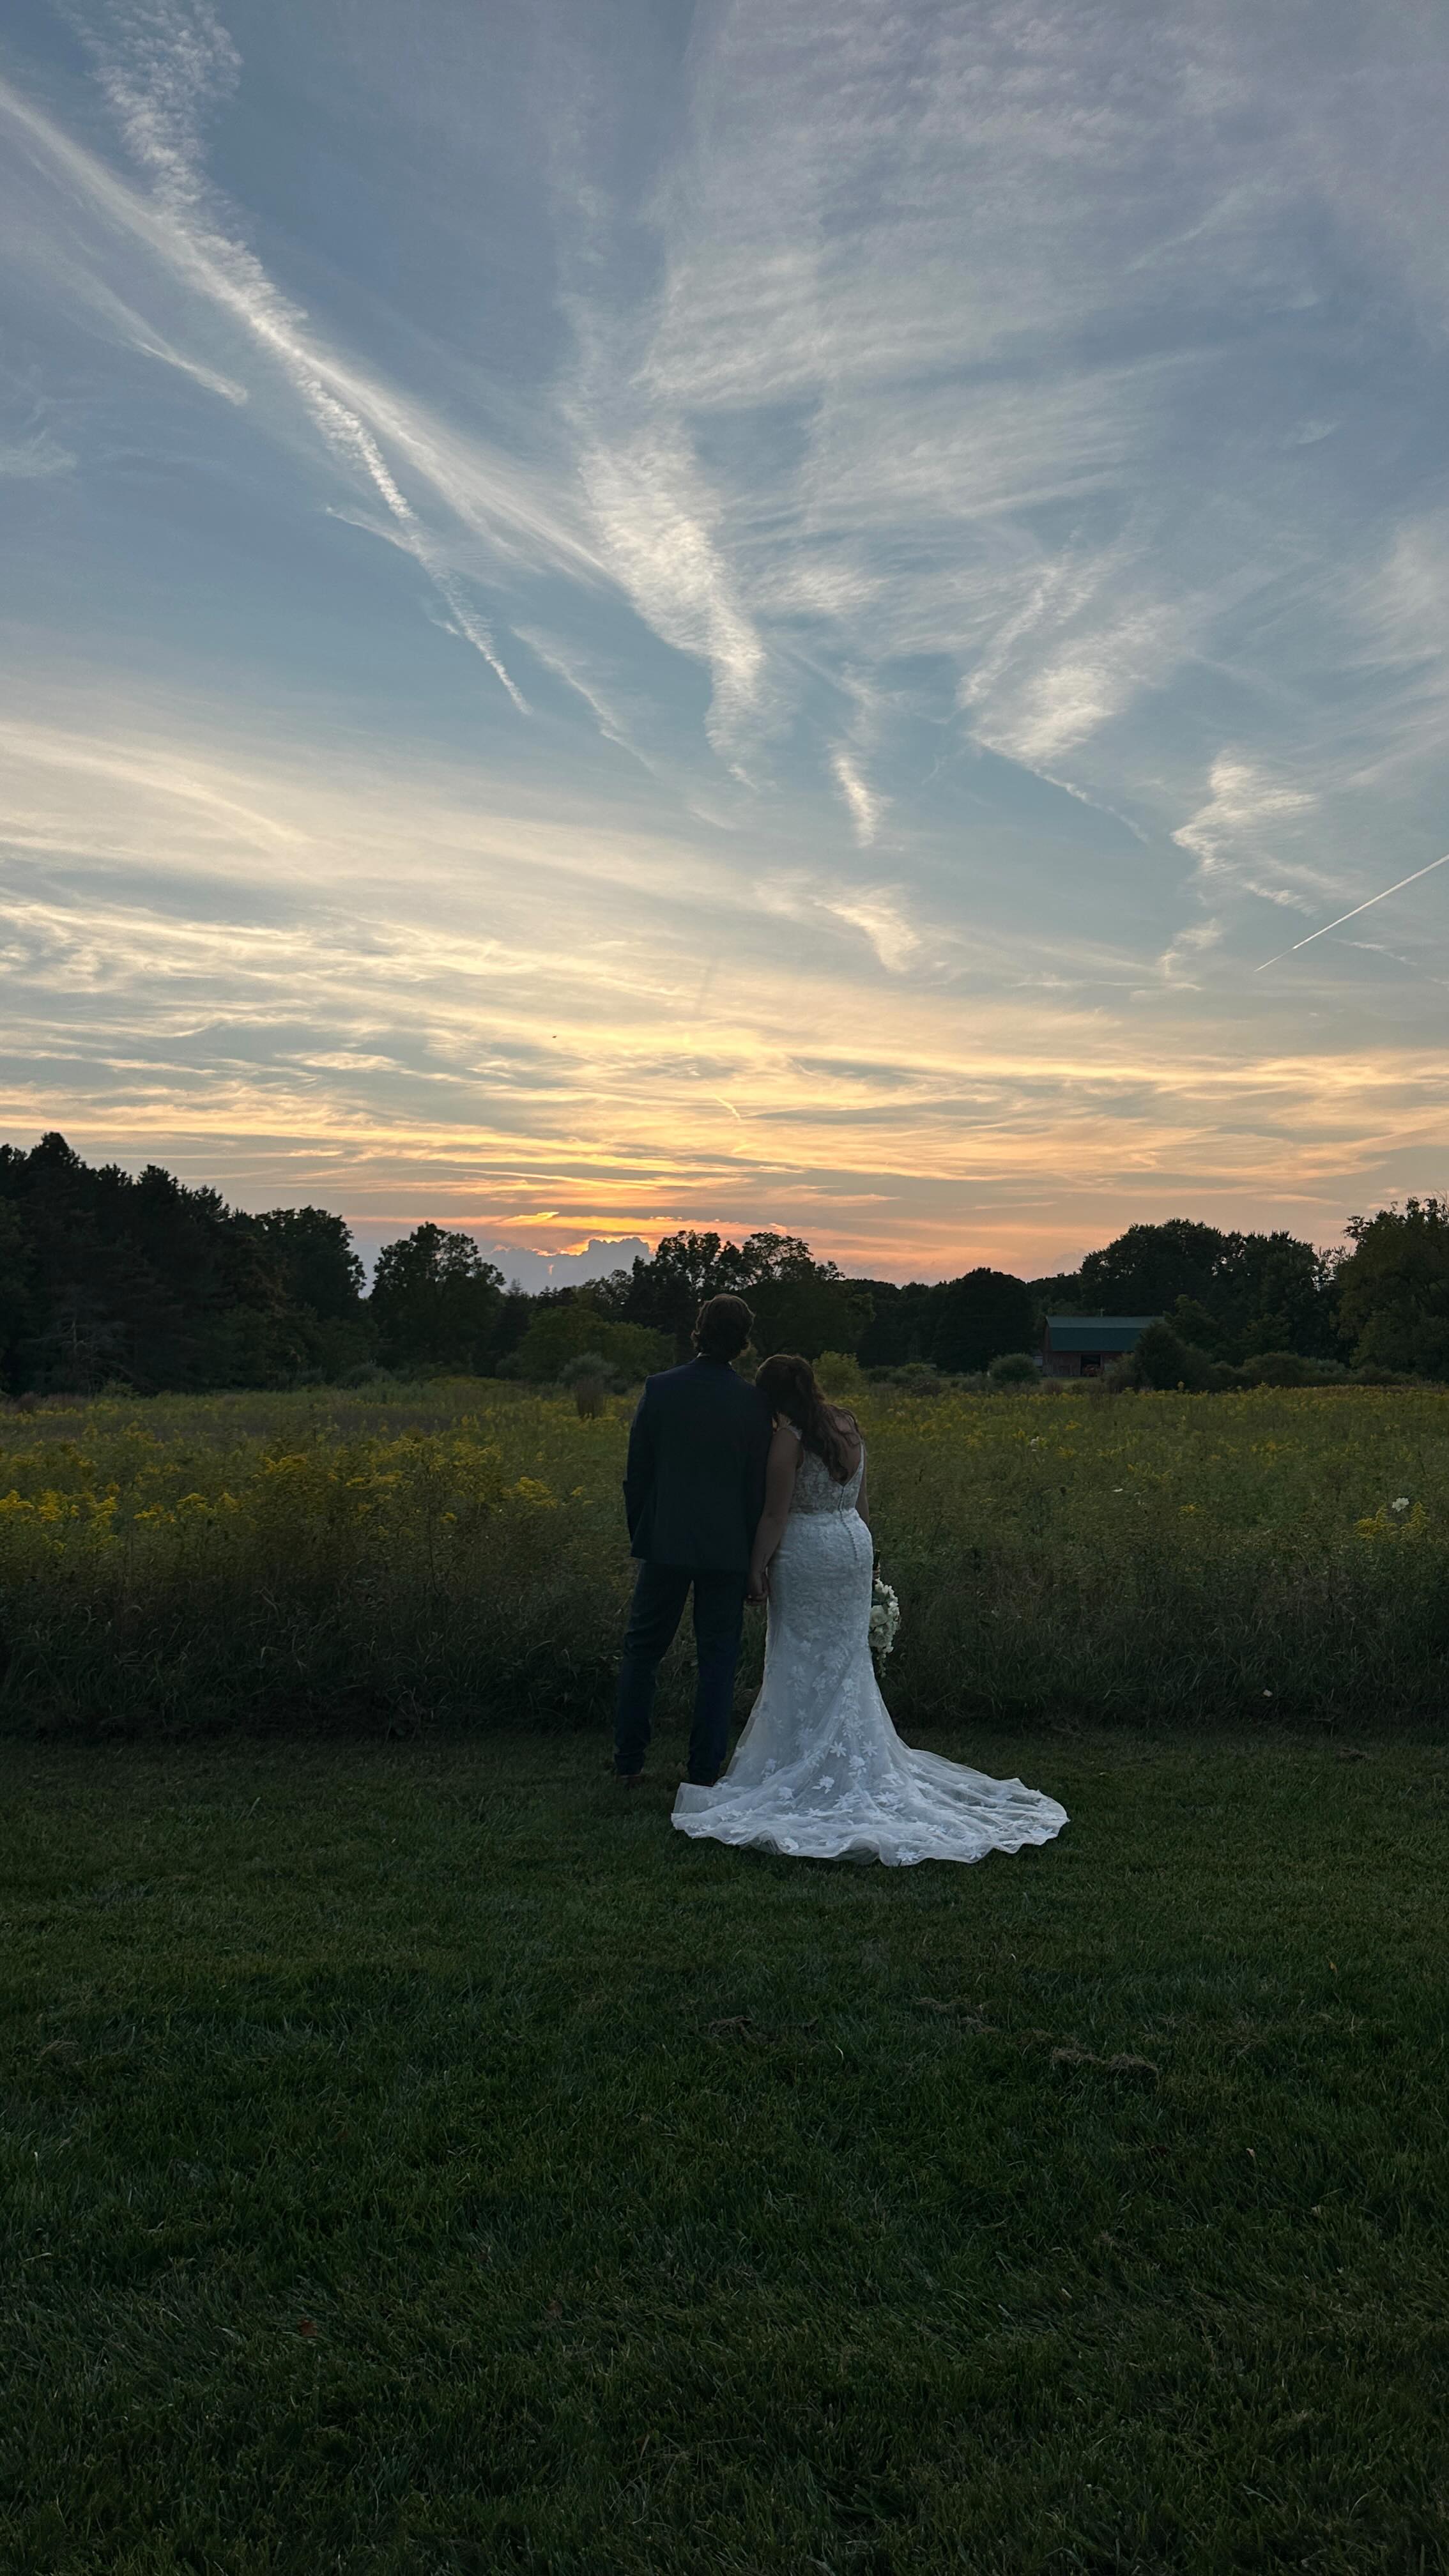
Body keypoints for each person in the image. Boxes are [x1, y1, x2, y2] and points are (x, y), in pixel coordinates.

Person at [672, 1354, 1068, 1866]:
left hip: (808, 1551)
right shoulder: (846, 1424)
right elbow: (861, 1503)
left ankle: (802, 1761)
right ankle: (851, 1754)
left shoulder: (788, 1439)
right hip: (852, 1547)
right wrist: (869, 1556)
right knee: (844, 1658)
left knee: (799, 1654)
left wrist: (755, 1568)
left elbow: (775, 1513)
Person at [613, 1292, 773, 1788]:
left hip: (665, 1542)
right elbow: (756, 1487)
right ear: (744, 1342)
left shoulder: (661, 1389)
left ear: (698, 1330)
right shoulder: (753, 1404)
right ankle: (704, 1771)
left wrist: (644, 1528)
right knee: (718, 1659)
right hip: (726, 1549)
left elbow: (637, 1471)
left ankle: (629, 1762)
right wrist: (753, 1557)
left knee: (643, 1650)